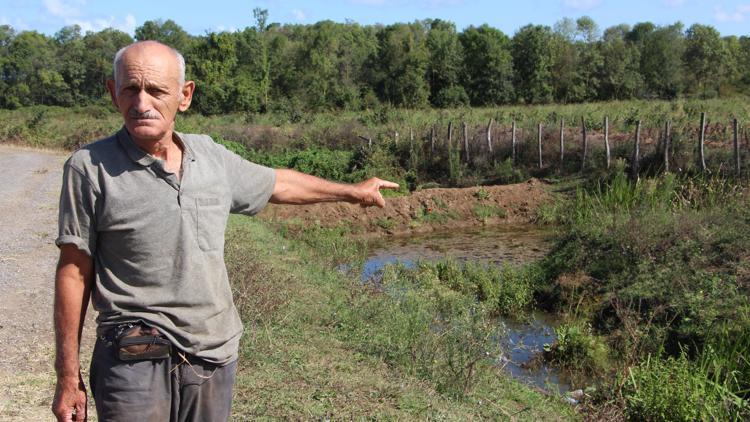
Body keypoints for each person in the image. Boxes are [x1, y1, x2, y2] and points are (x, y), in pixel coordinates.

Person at [51, 40, 398, 422]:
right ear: (112, 92)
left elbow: (277, 184)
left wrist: (353, 192)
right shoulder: (89, 168)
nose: (142, 103)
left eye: (157, 90)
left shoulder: (211, 157)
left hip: (212, 355)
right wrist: (67, 375)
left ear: (184, 96)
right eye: (130, 89)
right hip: (135, 356)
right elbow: (73, 270)